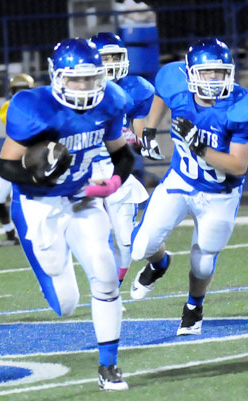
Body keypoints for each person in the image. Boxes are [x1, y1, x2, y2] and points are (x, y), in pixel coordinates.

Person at [0, 38, 133, 391]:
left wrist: (114, 181)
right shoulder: (31, 106)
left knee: (104, 274)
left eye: (90, 79)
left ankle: (109, 366)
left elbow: (123, 154)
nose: (84, 87)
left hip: (83, 198)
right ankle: (49, 270)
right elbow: (6, 166)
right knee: (66, 304)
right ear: (57, 77)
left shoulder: (112, 100)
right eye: (76, 80)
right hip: (40, 205)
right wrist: (38, 175)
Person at [130, 38, 248, 335]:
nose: (214, 79)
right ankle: (158, 264)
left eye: (219, 72)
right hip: (181, 180)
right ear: (191, 73)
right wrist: (150, 129)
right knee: (141, 246)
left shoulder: (243, 106)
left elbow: (238, 165)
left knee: (203, 262)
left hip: (220, 194)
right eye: (206, 73)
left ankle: (194, 306)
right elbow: (162, 94)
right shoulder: (175, 83)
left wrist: (200, 147)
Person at [90, 32, 154, 286]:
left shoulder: (138, 89)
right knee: (96, 236)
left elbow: (137, 140)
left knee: (126, 240)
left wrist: (137, 141)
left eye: (117, 56)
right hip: (88, 169)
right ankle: (109, 292)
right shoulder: (80, 88)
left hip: (118, 168)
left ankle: (158, 262)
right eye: (107, 58)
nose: (113, 62)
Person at [0, 73, 35, 246]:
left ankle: (30, 235)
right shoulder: (9, 107)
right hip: (14, 160)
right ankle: (10, 234)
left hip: (34, 160)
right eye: (17, 90)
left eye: (24, 90)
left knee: (25, 200)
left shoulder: (39, 107)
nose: (20, 93)